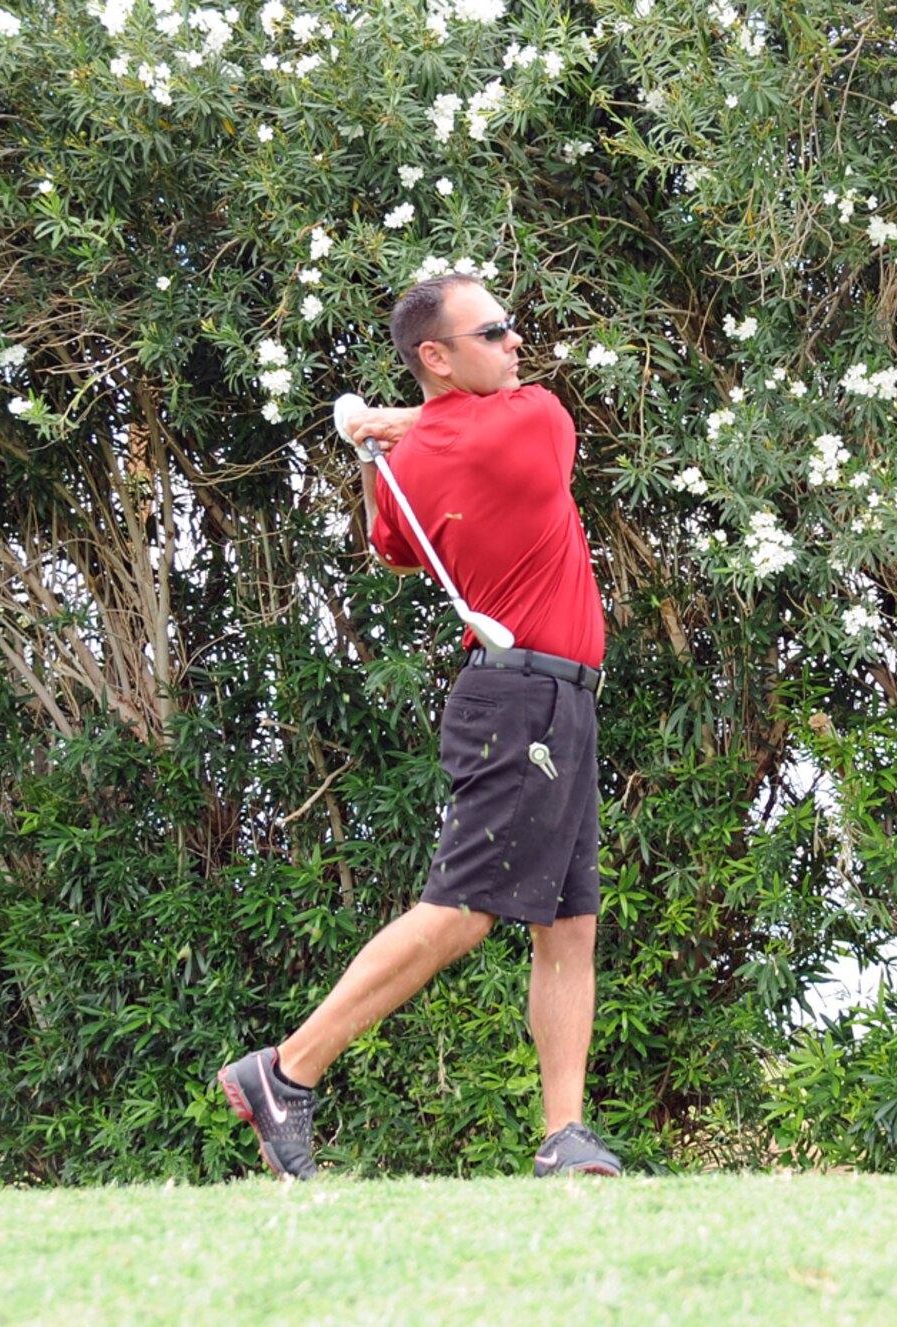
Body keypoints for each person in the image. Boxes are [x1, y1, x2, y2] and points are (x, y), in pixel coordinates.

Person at [217, 275, 620, 1180]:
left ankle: (565, 1134)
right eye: (495, 331)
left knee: (568, 924)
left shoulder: (413, 455)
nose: (517, 343)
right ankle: (286, 1069)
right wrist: (396, 425)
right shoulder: (533, 420)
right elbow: (490, 434)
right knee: (461, 914)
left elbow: (390, 544)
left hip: (550, 701)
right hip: (524, 704)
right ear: (435, 355)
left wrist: (376, 442)